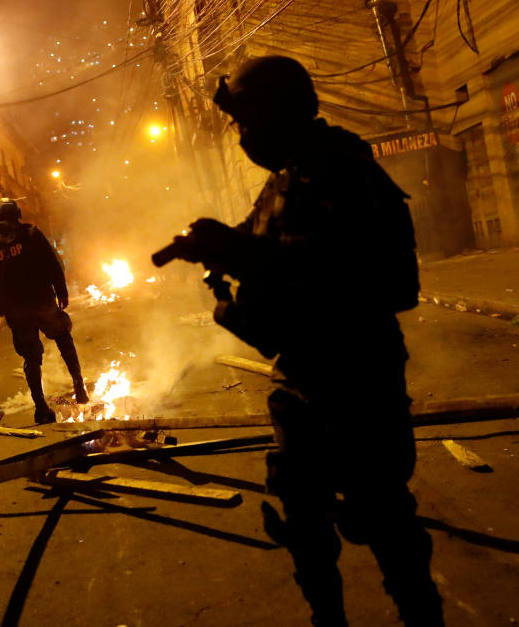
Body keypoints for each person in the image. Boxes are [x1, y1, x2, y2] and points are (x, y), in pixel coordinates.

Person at [160, 56, 443, 626]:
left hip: (356, 375)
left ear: (278, 111)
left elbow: (360, 273)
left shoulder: (340, 167)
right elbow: (263, 238)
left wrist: (240, 253)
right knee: (304, 520)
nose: (242, 135)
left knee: (382, 517)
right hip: (300, 378)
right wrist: (216, 241)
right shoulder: (288, 176)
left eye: (246, 121)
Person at [0, 198, 89, 424]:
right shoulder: (31, 234)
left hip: (15, 309)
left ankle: (41, 408)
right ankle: (79, 387)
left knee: (31, 358)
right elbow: (52, 263)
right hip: (42, 300)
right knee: (64, 339)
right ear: (17, 214)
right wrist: (61, 291)